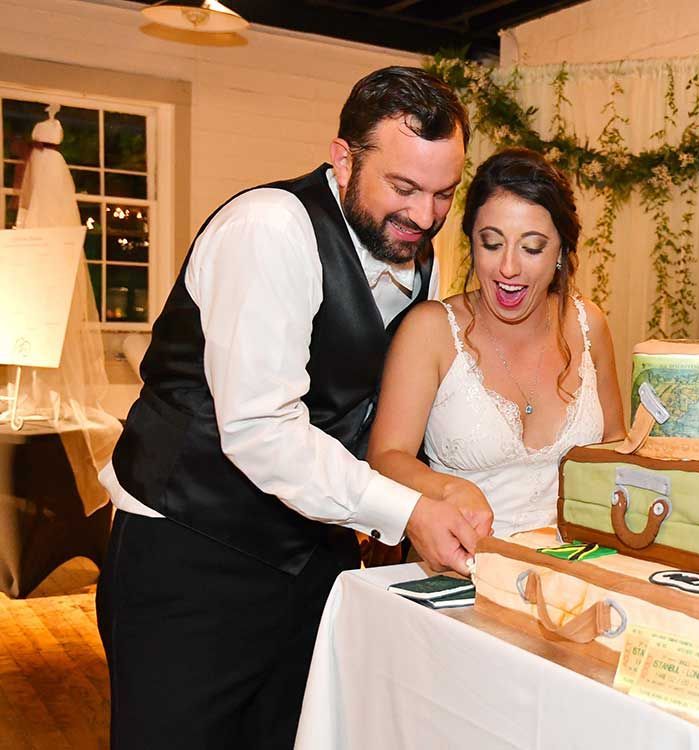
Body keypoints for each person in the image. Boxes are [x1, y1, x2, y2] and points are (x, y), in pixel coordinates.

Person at [95, 67, 493, 748]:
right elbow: (261, 431)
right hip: (189, 557)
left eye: (443, 194)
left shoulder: (410, 247)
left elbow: (361, 398)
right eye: (404, 188)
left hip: (310, 560)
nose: (425, 217)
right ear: (344, 158)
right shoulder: (268, 229)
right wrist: (408, 512)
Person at [366, 148, 626, 537]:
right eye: (491, 243)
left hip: (573, 567)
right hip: (461, 566)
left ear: (560, 252)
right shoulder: (431, 330)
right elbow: (386, 456)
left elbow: (614, 444)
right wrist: (448, 488)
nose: (508, 268)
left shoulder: (589, 323)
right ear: (471, 242)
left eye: (532, 248)